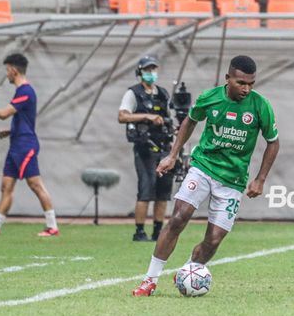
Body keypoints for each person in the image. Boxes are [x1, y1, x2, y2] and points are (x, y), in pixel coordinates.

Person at [132, 55, 280, 296]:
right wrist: (172, 155)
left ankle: (190, 270)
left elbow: (273, 143)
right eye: (241, 83)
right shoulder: (209, 98)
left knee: (213, 240)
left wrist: (260, 179)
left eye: (251, 83)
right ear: (228, 78)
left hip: (233, 180)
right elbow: (190, 121)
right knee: (179, 217)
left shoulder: (260, 106)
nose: (246, 88)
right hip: (203, 167)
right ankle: (149, 280)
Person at [0, 53, 59, 237]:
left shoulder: (26, 91)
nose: (6, 75)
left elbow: (5, 113)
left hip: (25, 146)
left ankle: (52, 227)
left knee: (35, 184)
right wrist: (10, 131)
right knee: (6, 186)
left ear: (13, 70)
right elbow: (24, 119)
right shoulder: (20, 92)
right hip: (16, 145)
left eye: (7, 70)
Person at [118, 56, 175, 242]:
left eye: (153, 70)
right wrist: (147, 117)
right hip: (145, 146)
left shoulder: (163, 94)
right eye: (147, 70)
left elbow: (168, 119)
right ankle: (139, 231)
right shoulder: (133, 93)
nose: (151, 74)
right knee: (146, 188)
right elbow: (122, 116)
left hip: (164, 145)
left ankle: (158, 230)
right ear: (140, 72)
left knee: (163, 190)